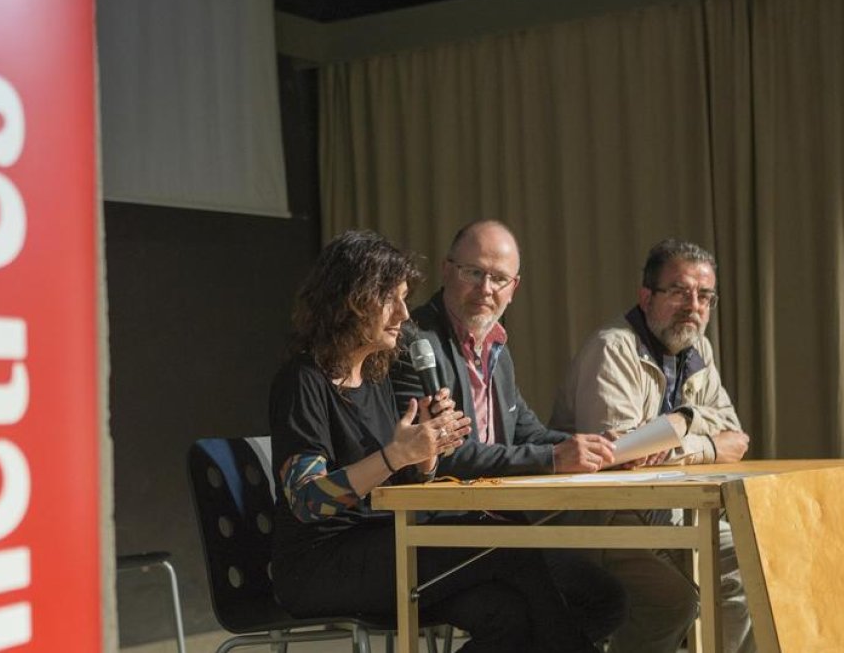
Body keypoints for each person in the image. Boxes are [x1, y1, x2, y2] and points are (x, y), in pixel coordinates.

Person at [270, 229, 622, 653]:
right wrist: (394, 455)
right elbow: (309, 502)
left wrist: (425, 458)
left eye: (404, 297)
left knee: (506, 615)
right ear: (351, 299)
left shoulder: (378, 379)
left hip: (388, 541)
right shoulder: (303, 381)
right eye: (390, 299)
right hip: (323, 563)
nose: (403, 313)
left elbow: (399, 490)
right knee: (507, 545)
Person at [550, 238, 753, 653]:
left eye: (704, 295)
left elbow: (734, 437)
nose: (693, 305)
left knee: (757, 564)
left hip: (672, 511)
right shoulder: (613, 347)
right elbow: (622, 454)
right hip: (603, 518)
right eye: (678, 291)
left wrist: (682, 427)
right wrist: (695, 434)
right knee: (671, 601)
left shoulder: (699, 350)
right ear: (646, 297)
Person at [390, 220, 619, 477]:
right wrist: (551, 458)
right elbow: (442, 454)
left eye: (499, 279)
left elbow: (527, 434)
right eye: (473, 273)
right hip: (449, 511)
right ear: (446, 270)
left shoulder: (496, 347)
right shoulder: (414, 341)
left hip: (498, 505)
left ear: (513, 288)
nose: (485, 289)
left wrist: (606, 450)